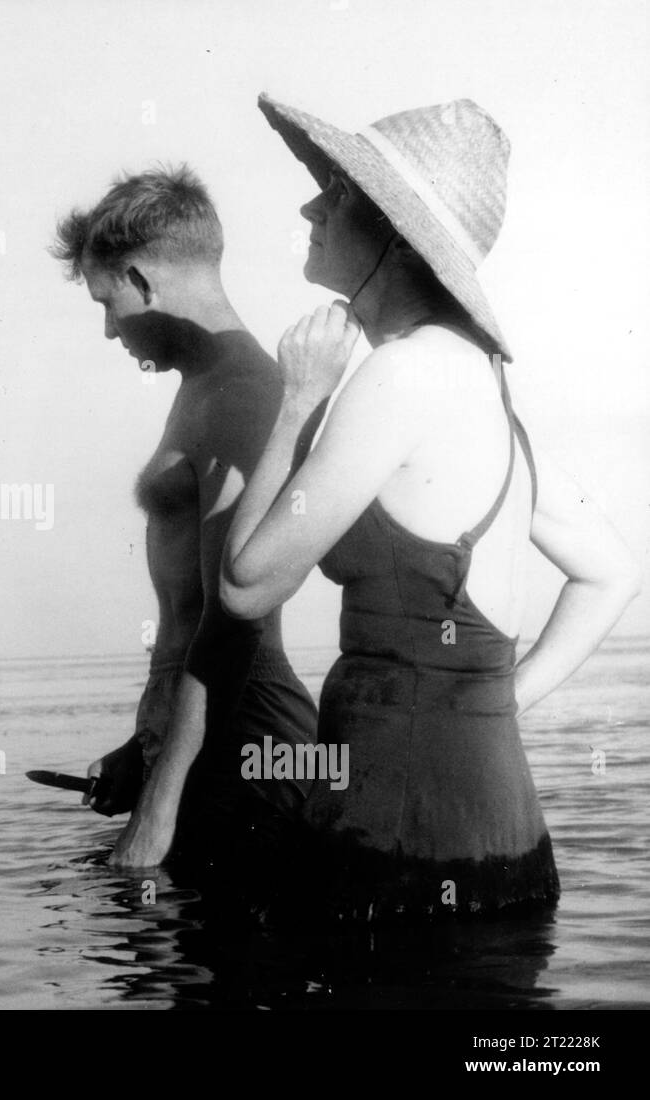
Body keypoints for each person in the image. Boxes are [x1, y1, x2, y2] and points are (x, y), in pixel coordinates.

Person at [220, 94, 641, 921]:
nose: (311, 204)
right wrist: (500, 699)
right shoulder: (482, 390)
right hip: (502, 833)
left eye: (335, 191)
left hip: (396, 847)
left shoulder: (402, 376)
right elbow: (613, 572)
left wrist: (299, 400)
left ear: (392, 234)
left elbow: (246, 585)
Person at [51, 165, 318, 879]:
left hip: (248, 730)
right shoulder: (202, 385)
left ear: (142, 280)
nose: (110, 330)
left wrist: (157, 812)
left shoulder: (243, 394)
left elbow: (232, 622)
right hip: (205, 735)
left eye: (107, 303)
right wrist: (142, 749)